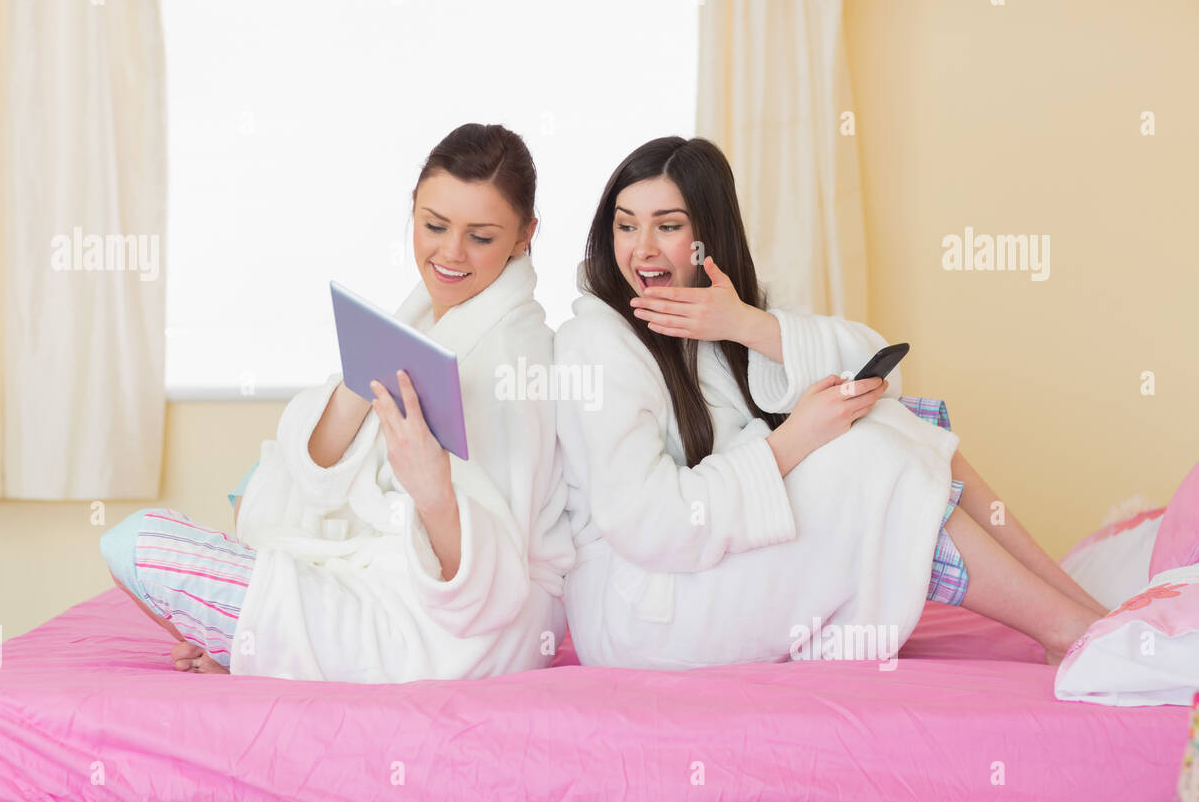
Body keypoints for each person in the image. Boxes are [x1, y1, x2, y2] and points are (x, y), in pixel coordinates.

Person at [554, 135, 1107, 670]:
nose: (642, 248)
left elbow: (872, 365)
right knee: (868, 459)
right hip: (644, 609)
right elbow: (653, 526)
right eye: (626, 225)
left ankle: (1079, 611)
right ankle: (1067, 627)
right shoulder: (597, 345)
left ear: (708, 237)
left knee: (893, 415)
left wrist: (749, 324)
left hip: (704, 566)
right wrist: (793, 439)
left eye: (667, 226)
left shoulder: (721, 313)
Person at [100, 123, 574, 682]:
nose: (450, 252)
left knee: (135, 545)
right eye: (434, 225)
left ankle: (255, 643)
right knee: (259, 480)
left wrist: (434, 493)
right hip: (379, 561)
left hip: (445, 631)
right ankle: (247, 639)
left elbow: (487, 594)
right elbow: (314, 466)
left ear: (525, 235)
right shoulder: (425, 314)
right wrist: (361, 382)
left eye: (482, 236)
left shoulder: (513, 365)